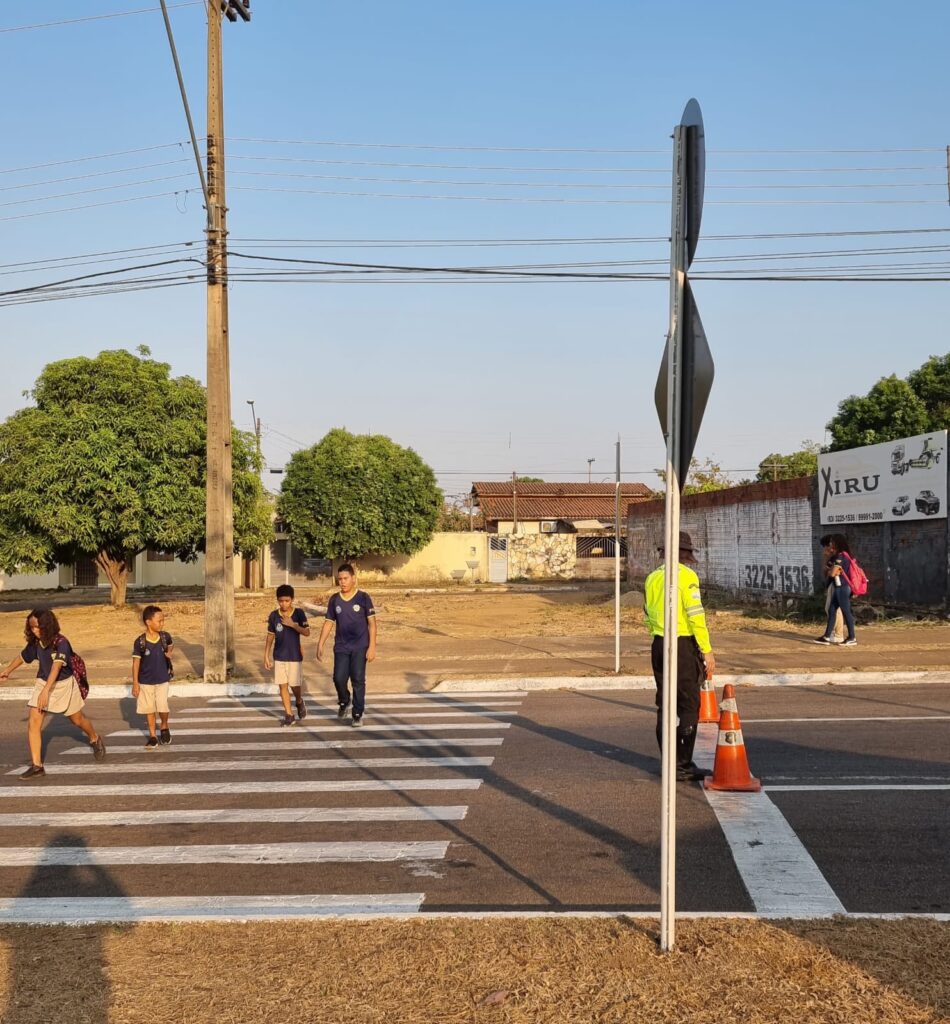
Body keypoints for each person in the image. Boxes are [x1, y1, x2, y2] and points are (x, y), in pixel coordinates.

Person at [0, 607, 106, 779]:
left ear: (47, 625)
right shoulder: (36, 643)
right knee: (34, 722)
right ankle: (37, 766)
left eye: (37, 627)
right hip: (44, 681)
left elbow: (56, 668)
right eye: (32, 627)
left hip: (63, 685)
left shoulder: (61, 642)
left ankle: (94, 738)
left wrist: (46, 692)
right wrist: (7, 671)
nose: (34, 631)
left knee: (77, 719)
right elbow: (22, 657)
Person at [643, 532, 715, 782]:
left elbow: (647, 613)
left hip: (659, 643)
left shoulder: (653, 578)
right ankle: (682, 765)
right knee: (688, 704)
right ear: (685, 554)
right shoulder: (686, 576)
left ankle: (669, 762)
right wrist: (706, 649)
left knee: (665, 704)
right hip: (682, 645)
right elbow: (696, 614)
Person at [317, 564, 376, 727]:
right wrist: (320, 644)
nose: (342, 582)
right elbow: (329, 622)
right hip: (341, 646)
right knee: (338, 678)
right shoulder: (334, 599)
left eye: (345, 578)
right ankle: (344, 701)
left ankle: (357, 714)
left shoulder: (363, 597)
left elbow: (372, 624)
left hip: (360, 645)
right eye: (340, 579)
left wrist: (372, 647)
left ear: (353, 579)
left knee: (358, 679)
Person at [264, 584, 311, 726]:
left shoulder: (299, 614)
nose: (284, 604)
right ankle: (289, 715)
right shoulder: (273, 616)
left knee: (295, 685)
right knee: (282, 686)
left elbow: (307, 632)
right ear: (277, 600)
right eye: (281, 601)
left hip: (295, 656)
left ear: (292, 600)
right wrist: (266, 654)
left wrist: (293, 625)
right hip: (279, 656)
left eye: (287, 601)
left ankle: (299, 701)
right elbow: (270, 636)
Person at [131, 605, 174, 750]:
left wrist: (169, 652)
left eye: (163, 620)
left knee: (162, 706)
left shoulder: (164, 637)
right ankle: (153, 736)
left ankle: (164, 725)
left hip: (162, 679)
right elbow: (136, 664)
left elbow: (170, 645)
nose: (162, 623)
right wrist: (135, 684)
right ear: (148, 622)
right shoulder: (140, 642)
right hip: (145, 682)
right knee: (149, 709)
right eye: (159, 621)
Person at [814, 533, 857, 647]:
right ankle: (827, 636)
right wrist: (830, 570)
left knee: (846, 612)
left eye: (832, 542)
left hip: (843, 587)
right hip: (839, 587)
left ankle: (852, 637)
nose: (830, 544)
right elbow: (830, 571)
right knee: (832, 610)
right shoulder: (842, 556)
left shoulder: (841, 557)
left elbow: (833, 573)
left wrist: (831, 570)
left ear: (838, 543)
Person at [818, 533, 845, 644]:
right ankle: (834, 633)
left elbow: (830, 573)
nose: (827, 547)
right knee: (830, 609)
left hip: (837, 585)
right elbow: (825, 573)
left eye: (827, 545)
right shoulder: (834, 557)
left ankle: (838, 634)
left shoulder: (838, 557)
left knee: (835, 610)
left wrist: (826, 558)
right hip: (832, 585)